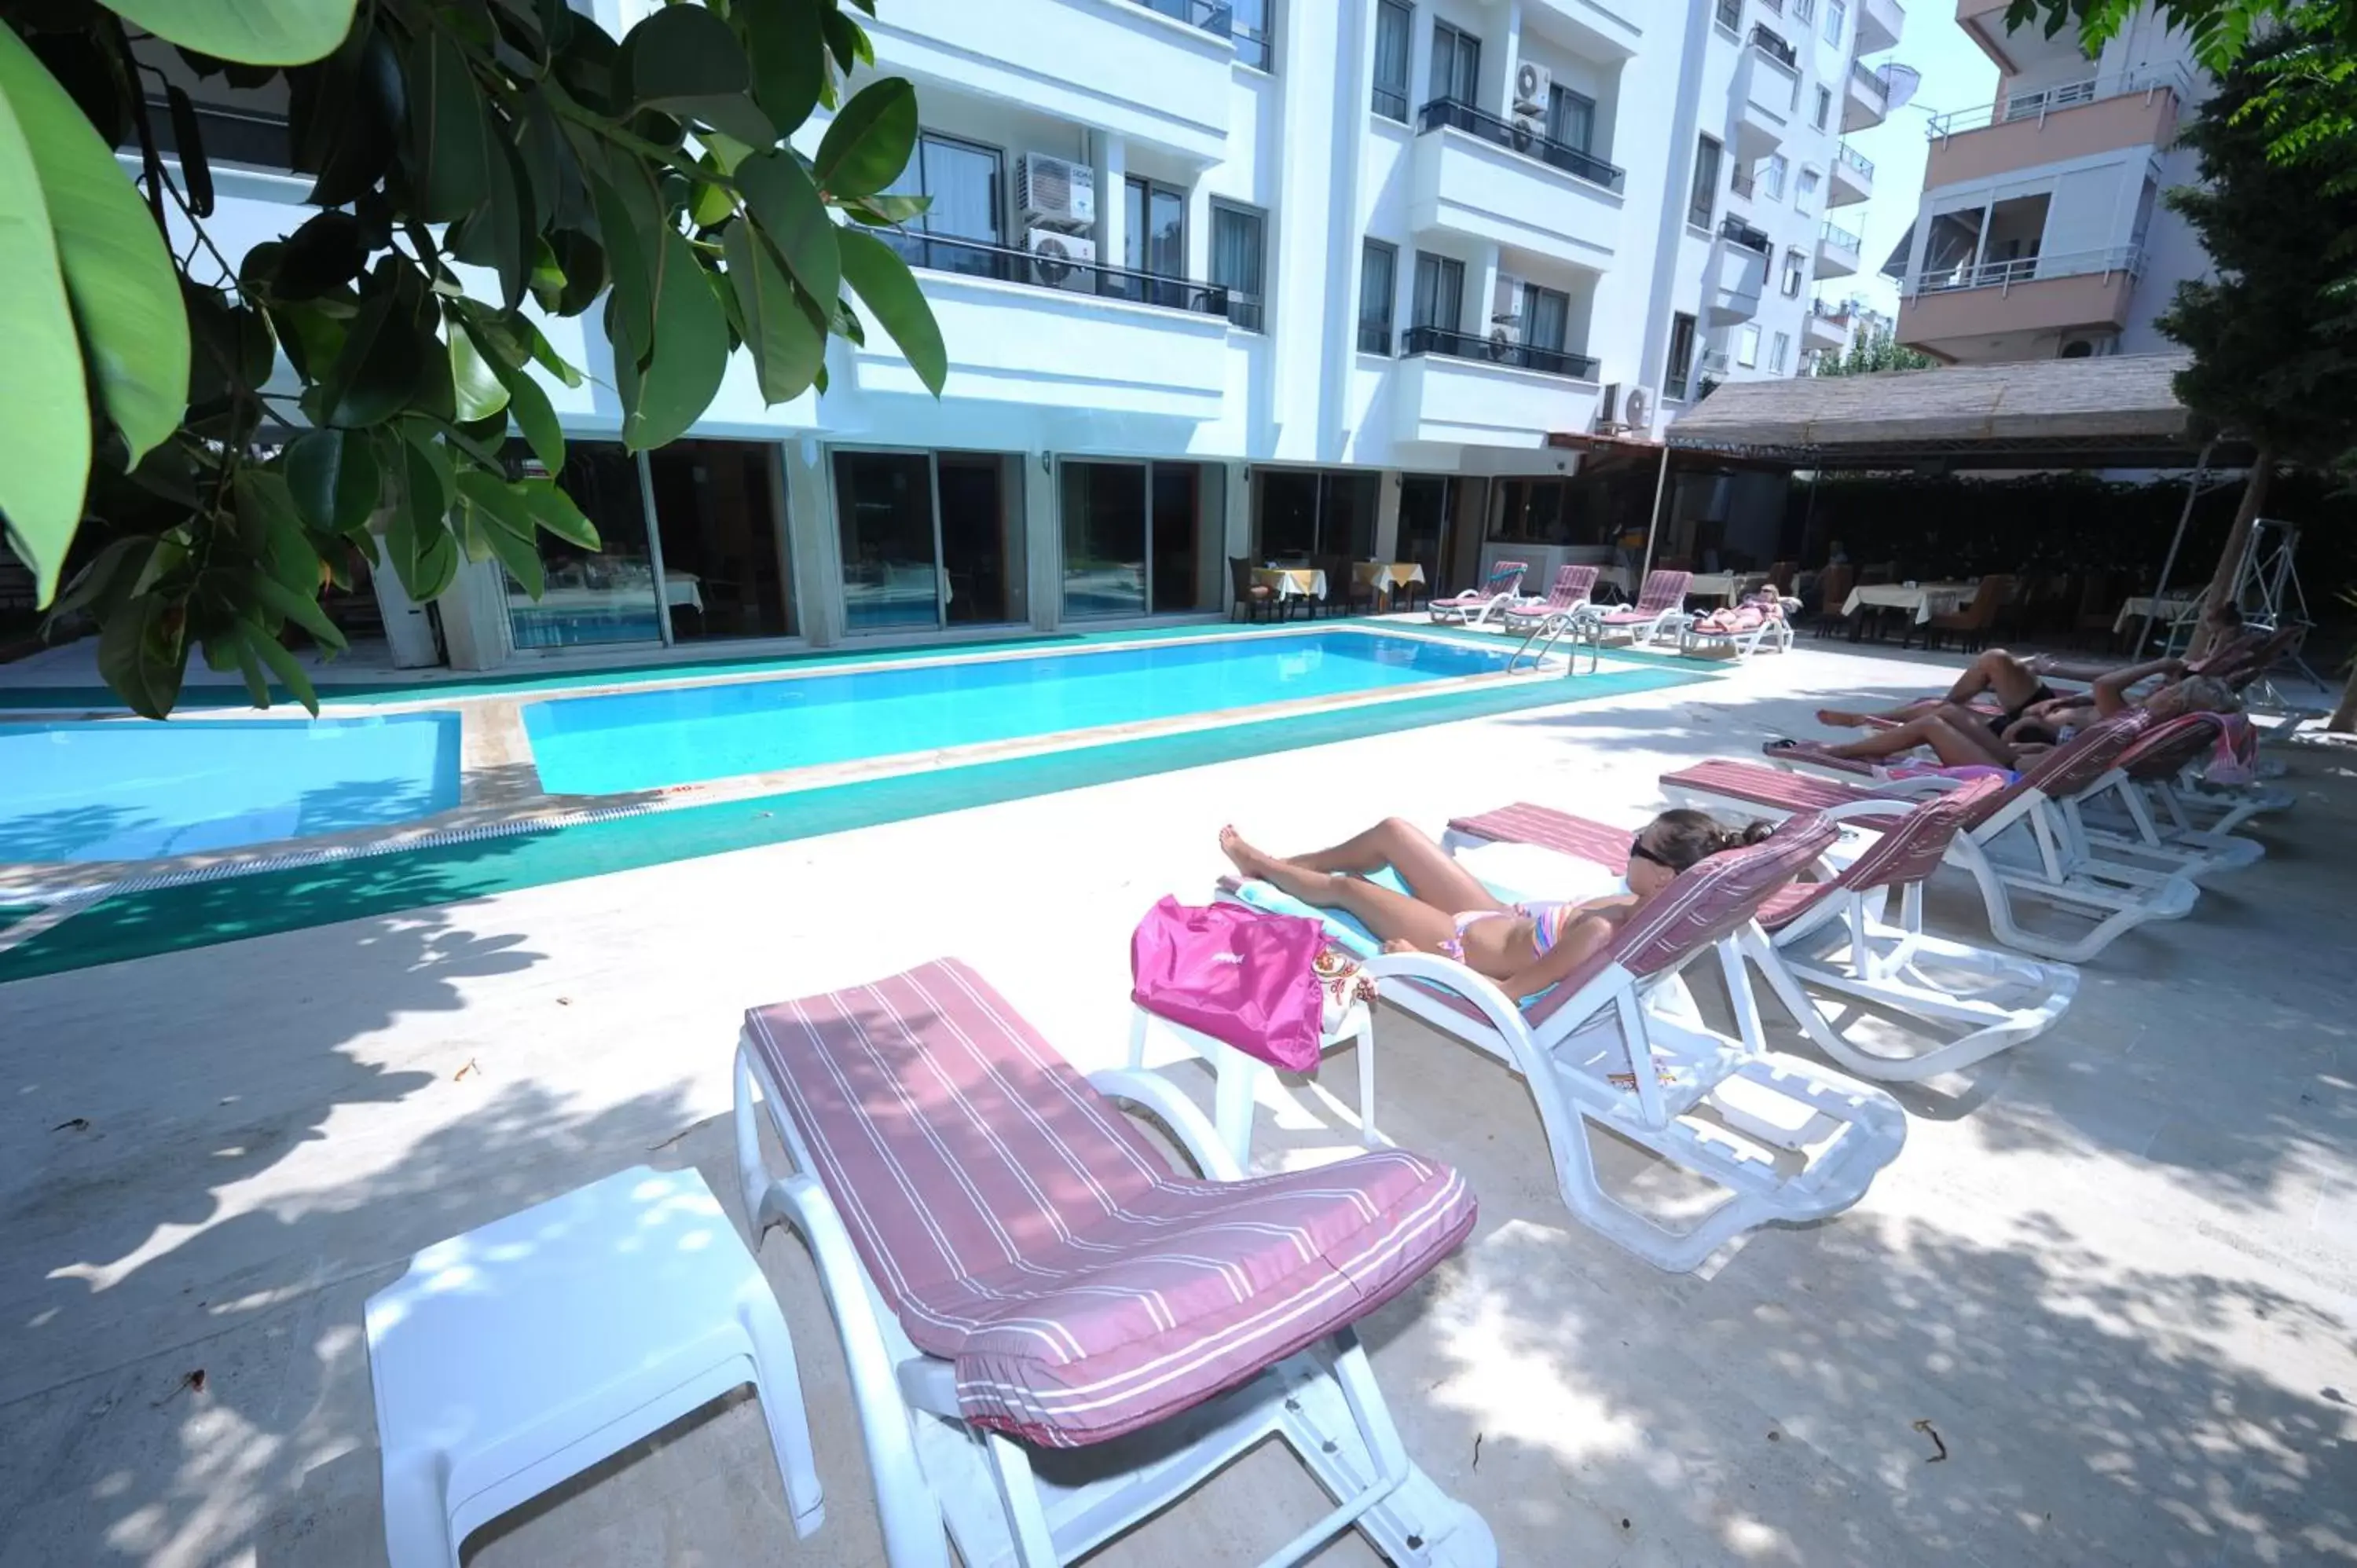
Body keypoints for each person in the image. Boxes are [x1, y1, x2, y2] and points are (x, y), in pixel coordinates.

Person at [1218, 810, 1774, 1001]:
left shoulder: (1603, 931)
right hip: (1498, 920)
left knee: (1352, 892)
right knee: (1395, 832)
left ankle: (1263, 866)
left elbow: (1509, 993)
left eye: (1638, 843)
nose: (1630, 844)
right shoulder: (1649, 903)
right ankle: (1298, 863)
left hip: (1465, 947)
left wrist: (1419, 956)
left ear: (1661, 875)